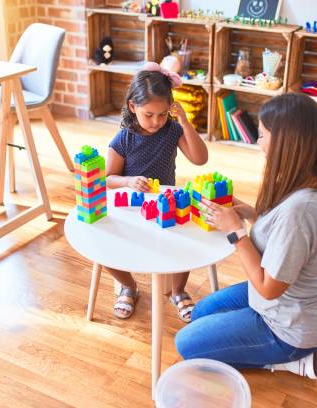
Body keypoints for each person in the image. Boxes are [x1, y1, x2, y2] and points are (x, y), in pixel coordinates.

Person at [174, 93, 317, 379]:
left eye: (262, 136)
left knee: (187, 345)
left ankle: (291, 360)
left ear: (287, 143)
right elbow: (281, 233)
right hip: (290, 305)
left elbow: (268, 288)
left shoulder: (298, 212)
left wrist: (237, 232)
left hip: (288, 326)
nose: (257, 142)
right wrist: (249, 212)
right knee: (199, 314)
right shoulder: (307, 181)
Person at [105, 62, 208, 322]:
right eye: (148, 114)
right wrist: (128, 182)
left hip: (166, 205)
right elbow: (108, 179)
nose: (156, 121)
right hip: (130, 207)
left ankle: (177, 291)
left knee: (187, 241)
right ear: (132, 107)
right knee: (104, 246)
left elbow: (200, 159)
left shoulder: (172, 130)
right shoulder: (124, 139)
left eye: (162, 114)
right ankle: (128, 286)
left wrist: (183, 120)